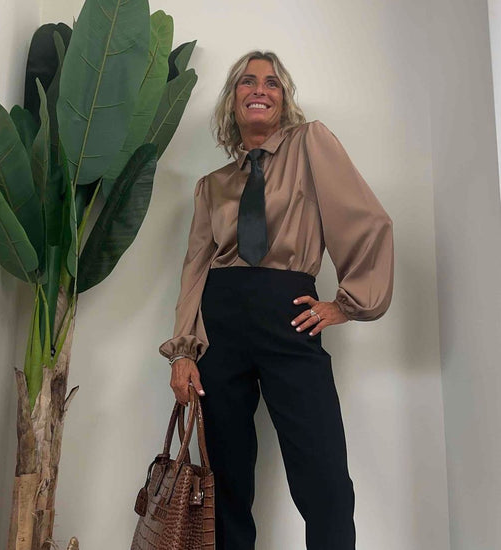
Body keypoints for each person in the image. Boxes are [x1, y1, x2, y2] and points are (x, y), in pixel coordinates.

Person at [159, 50, 394, 550]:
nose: (259, 90)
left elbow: (367, 219)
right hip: (221, 327)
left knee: (324, 477)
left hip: (290, 316)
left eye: (271, 83)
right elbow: (195, 269)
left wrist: (347, 304)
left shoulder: (311, 144)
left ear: (284, 99)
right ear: (233, 100)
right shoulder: (211, 187)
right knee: (225, 480)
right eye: (247, 82)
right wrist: (183, 351)